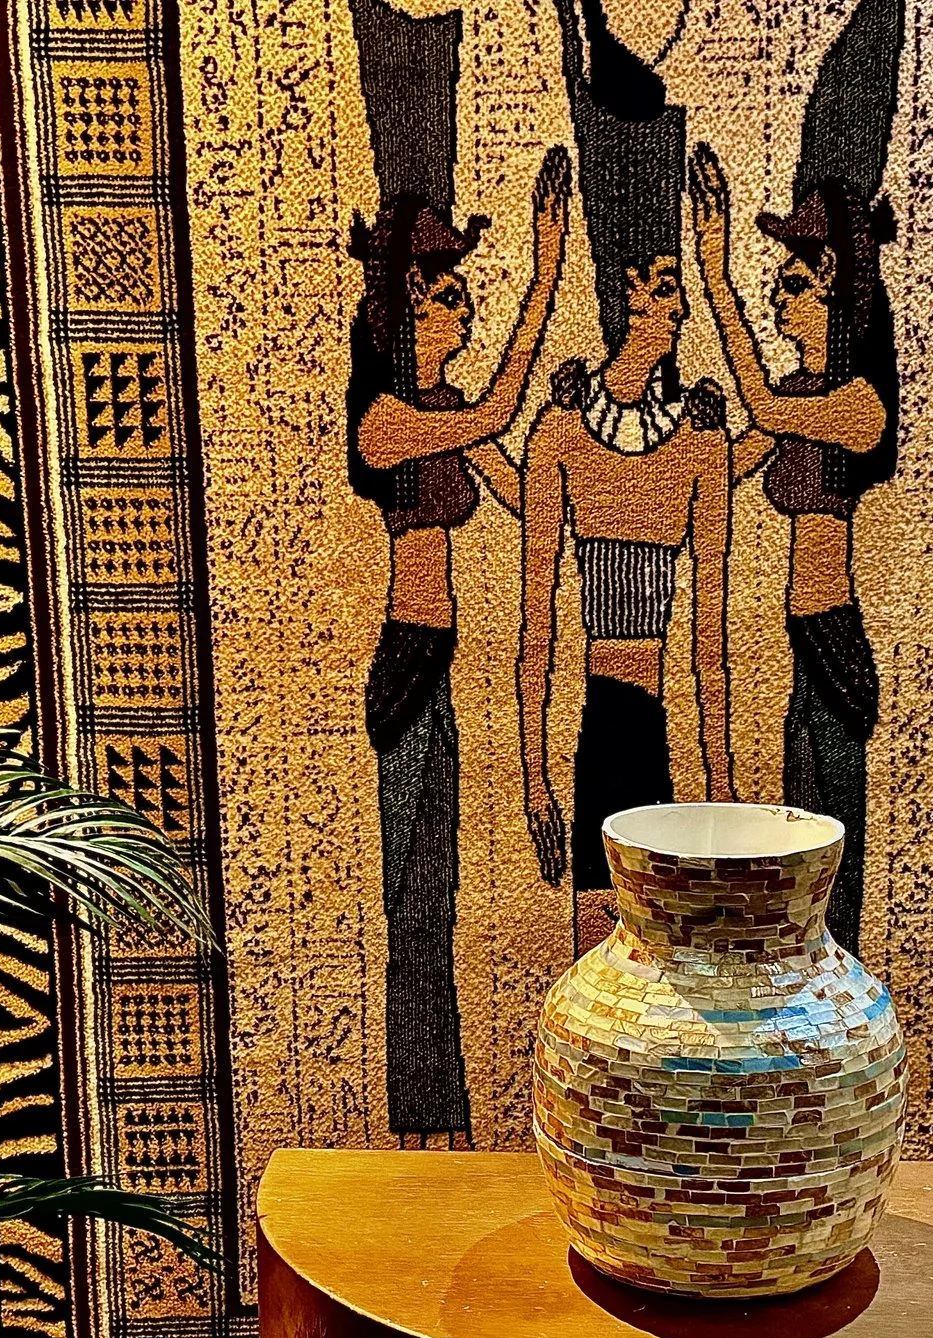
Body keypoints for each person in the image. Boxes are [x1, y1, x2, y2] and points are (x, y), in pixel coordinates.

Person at [348, 149, 570, 1144]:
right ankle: (416, 1109)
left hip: (436, 668)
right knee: (411, 900)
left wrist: (587, 434)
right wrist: (547, 275)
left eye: (467, 299)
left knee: (436, 892)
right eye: (449, 299)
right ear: (405, 312)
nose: (465, 315)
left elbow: (526, 488)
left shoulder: (437, 417)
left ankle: (437, 1110)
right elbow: (492, 414)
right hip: (402, 665)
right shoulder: (387, 422)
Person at [522, 0, 734, 954]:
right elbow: (535, 628)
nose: (673, 300)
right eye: (658, 285)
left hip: (652, 727)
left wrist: (730, 798)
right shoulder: (562, 433)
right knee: (601, 966)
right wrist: (530, 769)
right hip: (601, 726)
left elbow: (713, 647)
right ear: (620, 298)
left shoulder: (698, 441)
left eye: (677, 285)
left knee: (670, 966)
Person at [689, 145, 899, 952]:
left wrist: (718, 277)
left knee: (830, 859)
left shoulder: (855, 407)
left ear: (838, 290)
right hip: (801, 644)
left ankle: (837, 1012)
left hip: (834, 641)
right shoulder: (806, 401)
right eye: (777, 284)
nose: (780, 301)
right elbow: (733, 454)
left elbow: (763, 407)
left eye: (795, 286)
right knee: (794, 852)